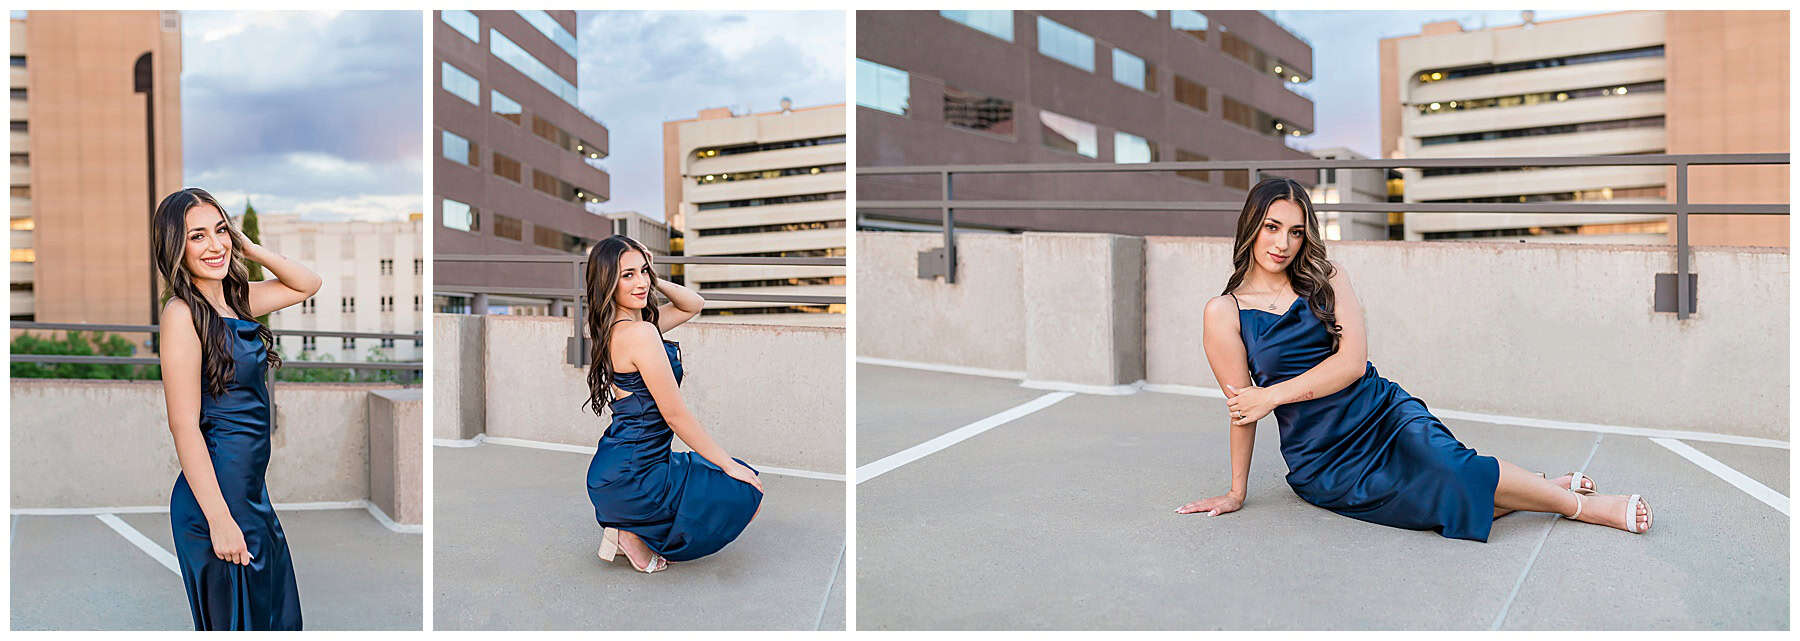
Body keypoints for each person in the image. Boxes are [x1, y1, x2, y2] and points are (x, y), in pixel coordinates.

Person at [1175, 177, 1651, 541]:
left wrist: (1271, 395)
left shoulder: (1327, 277)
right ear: (1251, 226)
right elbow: (1243, 409)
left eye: (1296, 232)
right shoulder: (1224, 313)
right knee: (1436, 503)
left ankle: (1580, 506)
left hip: (1380, 413)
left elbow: (1352, 364)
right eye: (1271, 228)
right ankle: (1542, 485)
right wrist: (1237, 491)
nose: (1282, 243)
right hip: (1322, 456)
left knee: (1453, 469)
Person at [153, 187, 320, 629]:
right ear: (175, 247)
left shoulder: (237, 300)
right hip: (218, 501)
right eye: (197, 236)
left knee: (276, 619)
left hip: (250, 494)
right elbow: (183, 426)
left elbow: (308, 283)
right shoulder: (181, 314)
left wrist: (248, 247)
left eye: (220, 230)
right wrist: (220, 520)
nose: (214, 245)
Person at [582, 235, 764, 573]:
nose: (641, 283)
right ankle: (628, 529)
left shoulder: (621, 328)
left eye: (643, 272)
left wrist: (655, 274)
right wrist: (727, 465)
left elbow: (693, 304)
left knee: (735, 480)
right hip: (636, 475)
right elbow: (676, 417)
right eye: (627, 275)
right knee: (745, 490)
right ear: (607, 281)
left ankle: (626, 526)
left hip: (621, 468)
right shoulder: (640, 334)